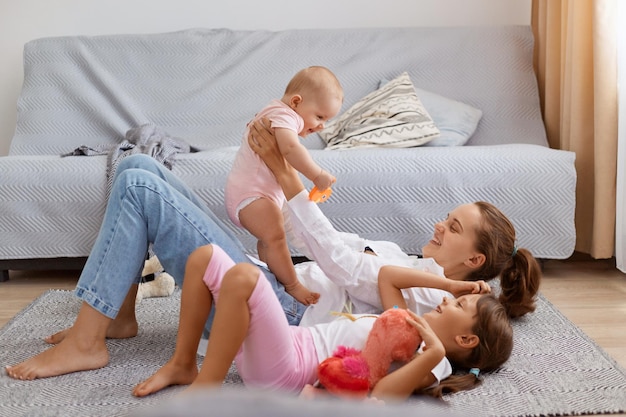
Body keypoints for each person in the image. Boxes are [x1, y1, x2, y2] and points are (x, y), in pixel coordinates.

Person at [4, 119, 539, 381]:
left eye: (453, 227)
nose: (439, 227)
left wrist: (288, 175)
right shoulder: (415, 265)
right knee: (140, 168)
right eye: (447, 219)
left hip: (277, 309)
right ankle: (116, 319)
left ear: (474, 262)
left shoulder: (431, 301)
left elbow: (341, 261)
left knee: (140, 185)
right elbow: (324, 252)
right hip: (270, 278)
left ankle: (87, 342)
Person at [131, 243, 513, 400]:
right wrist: (450, 281)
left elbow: (381, 397)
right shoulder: (403, 324)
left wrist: (431, 351)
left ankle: (206, 397)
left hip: (290, 370)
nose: (448, 300)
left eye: (460, 304)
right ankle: (183, 364)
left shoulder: (436, 361)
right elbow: (388, 277)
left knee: (244, 278)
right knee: (206, 257)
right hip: (286, 343)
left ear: (466, 340)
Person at [225, 66, 343, 306]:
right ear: (296, 102)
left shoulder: (278, 113)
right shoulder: (284, 115)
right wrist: (316, 174)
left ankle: (272, 276)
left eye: (326, 121)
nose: (321, 126)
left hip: (255, 196)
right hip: (253, 196)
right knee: (276, 237)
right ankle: (293, 285)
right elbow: (290, 150)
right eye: (319, 117)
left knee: (269, 241)